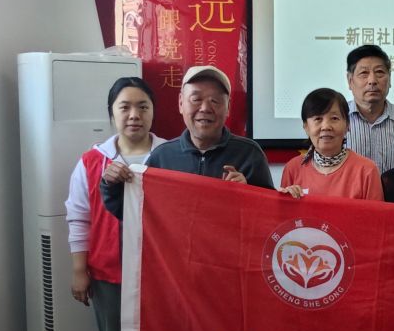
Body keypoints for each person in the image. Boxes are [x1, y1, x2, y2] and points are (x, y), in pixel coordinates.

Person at [64, 76, 164, 331]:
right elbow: (78, 217)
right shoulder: (93, 161)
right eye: (125, 107)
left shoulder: (170, 155)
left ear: (154, 112)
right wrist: (79, 270)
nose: (134, 115)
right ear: (112, 114)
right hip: (110, 275)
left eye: (143, 106)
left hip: (162, 276)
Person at [101, 65, 273, 217]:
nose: (205, 108)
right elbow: (136, 214)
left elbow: (270, 217)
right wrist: (112, 186)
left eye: (215, 101)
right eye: (196, 99)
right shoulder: (162, 157)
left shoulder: (249, 155)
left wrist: (248, 195)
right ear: (181, 103)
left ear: (228, 107)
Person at [279, 88, 383, 200]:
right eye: (318, 119)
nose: (326, 126)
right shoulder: (293, 168)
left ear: (347, 125)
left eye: (334, 118)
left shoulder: (367, 170)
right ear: (306, 127)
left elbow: (375, 212)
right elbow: (283, 211)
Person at [343, 44, 394, 174]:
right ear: (350, 81)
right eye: (364, 73)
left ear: (390, 79)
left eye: (379, 72)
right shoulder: (337, 119)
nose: (372, 80)